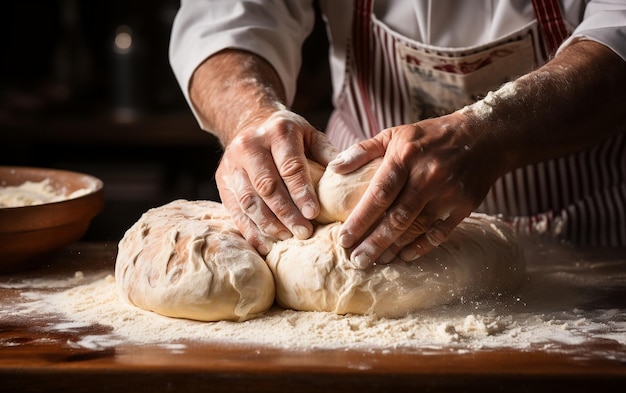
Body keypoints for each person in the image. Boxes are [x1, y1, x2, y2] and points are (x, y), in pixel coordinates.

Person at [169, 0, 626, 269]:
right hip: (363, 230)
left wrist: (495, 131)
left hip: (591, 236)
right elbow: (224, 19)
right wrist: (251, 114)